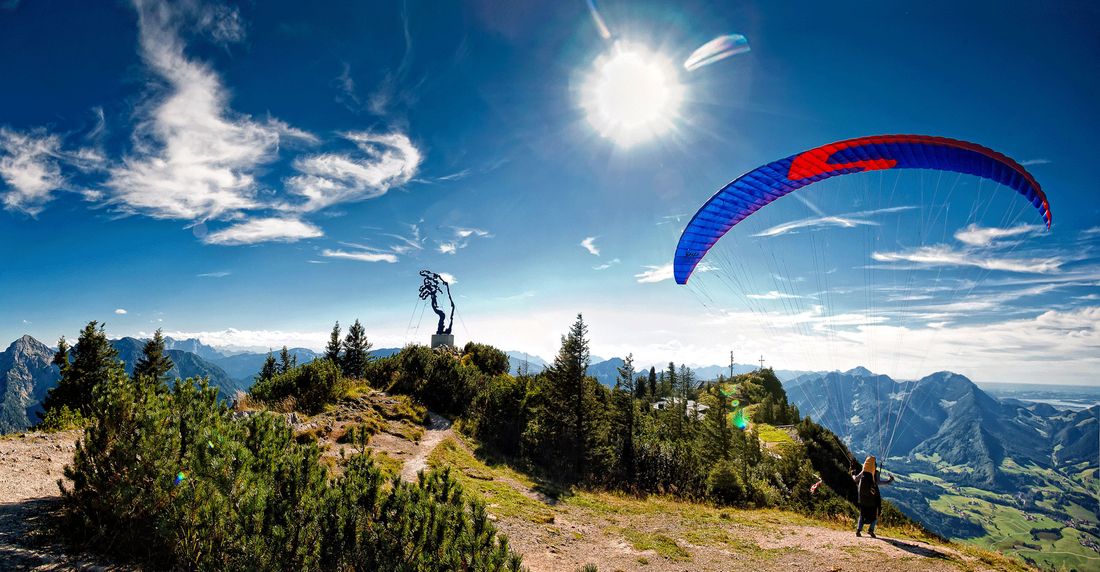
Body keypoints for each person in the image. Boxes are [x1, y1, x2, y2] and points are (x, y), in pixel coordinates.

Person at [852, 455, 892, 538]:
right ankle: (871, 530)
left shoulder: (863, 471)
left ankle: (858, 530)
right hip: (872, 498)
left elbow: (855, 479)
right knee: (876, 512)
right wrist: (889, 480)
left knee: (863, 512)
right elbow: (878, 483)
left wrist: (853, 473)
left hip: (862, 497)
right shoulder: (875, 473)